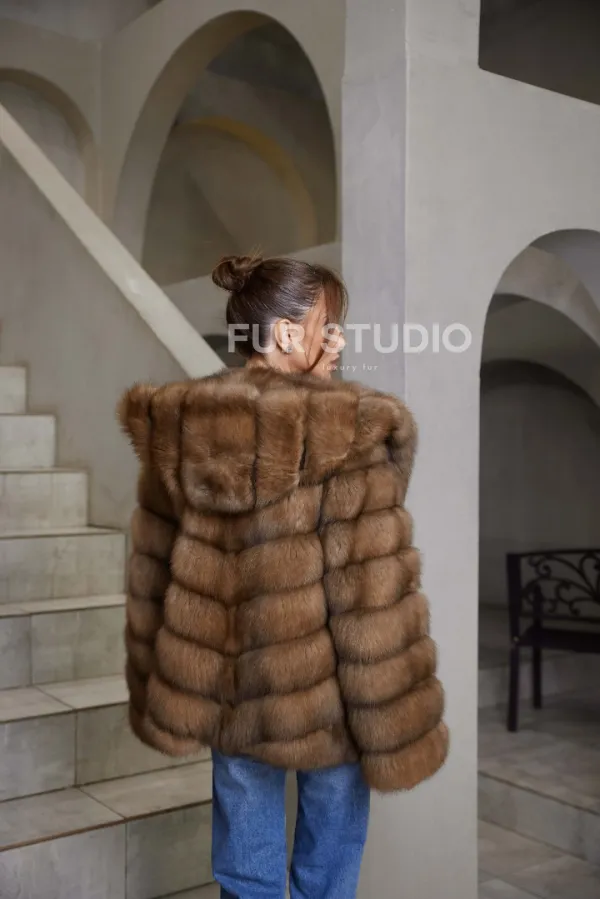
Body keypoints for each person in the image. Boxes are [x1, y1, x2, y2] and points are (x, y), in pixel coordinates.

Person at [118, 254, 448, 899]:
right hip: (329, 697)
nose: (339, 339)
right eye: (329, 324)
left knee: (247, 869)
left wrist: (162, 684)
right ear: (290, 332)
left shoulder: (180, 426)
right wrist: (389, 712)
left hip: (229, 693)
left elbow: (152, 569)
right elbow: (370, 588)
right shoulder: (352, 429)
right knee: (328, 868)